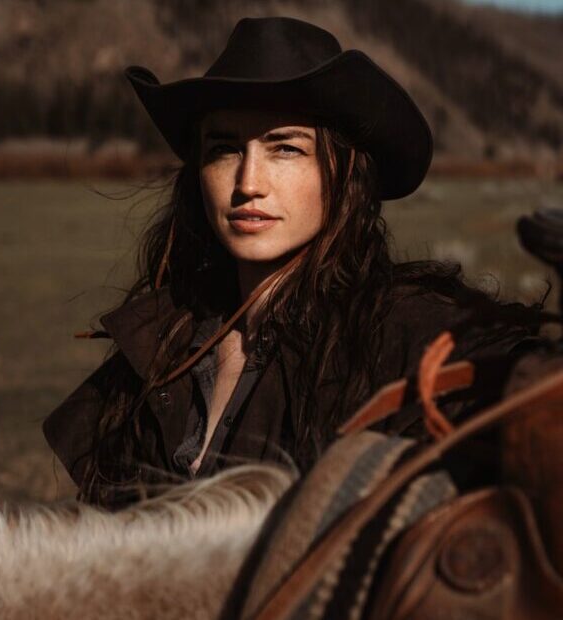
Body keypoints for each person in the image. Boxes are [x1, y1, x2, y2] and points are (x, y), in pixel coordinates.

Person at [43, 17, 540, 509]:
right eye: (224, 149)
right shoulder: (162, 343)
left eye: (285, 147)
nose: (248, 182)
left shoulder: (410, 338)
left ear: (345, 174)